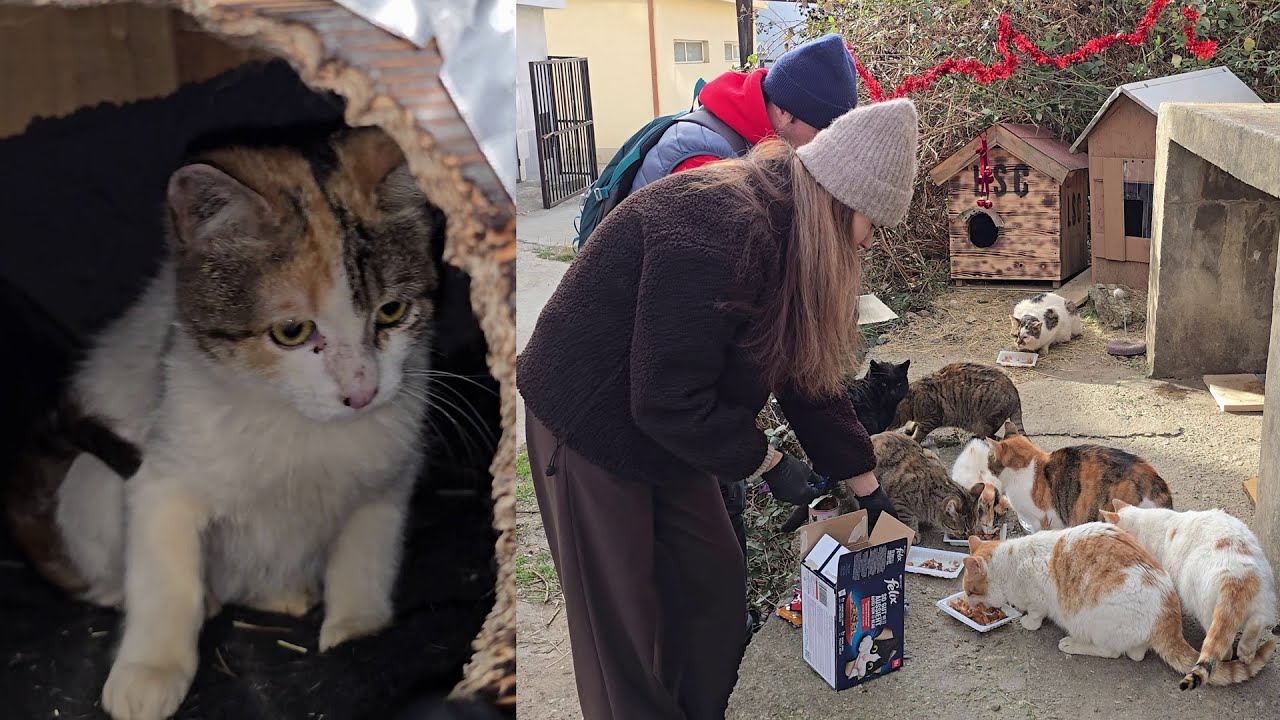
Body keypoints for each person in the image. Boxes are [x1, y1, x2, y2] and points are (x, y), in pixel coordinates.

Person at [518, 97, 919, 719]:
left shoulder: (796, 238)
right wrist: (766, 461)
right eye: (874, 226)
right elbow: (666, 397)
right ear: (841, 200)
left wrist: (866, 486)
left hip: (672, 422)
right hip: (589, 421)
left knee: (711, 579)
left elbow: (806, 375)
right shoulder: (720, 231)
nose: (869, 244)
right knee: (624, 623)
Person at [628, 33, 863, 639]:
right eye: (821, 135)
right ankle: (714, 633)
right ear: (784, 114)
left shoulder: (760, 158)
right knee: (691, 548)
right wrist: (764, 459)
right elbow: (693, 355)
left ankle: (724, 622)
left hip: (688, 395)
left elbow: (787, 343)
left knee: (716, 533)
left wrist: (856, 469)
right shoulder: (708, 171)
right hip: (646, 396)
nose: (823, 157)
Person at [629, 32, 860, 193]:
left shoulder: (754, 142)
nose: (823, 147)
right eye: (820, 133)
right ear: (783, 110)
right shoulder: (704, 164)